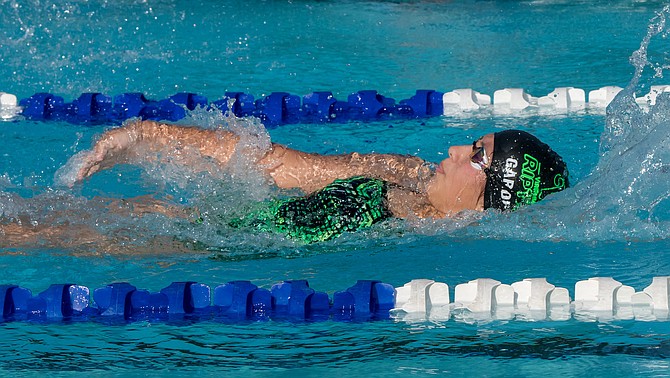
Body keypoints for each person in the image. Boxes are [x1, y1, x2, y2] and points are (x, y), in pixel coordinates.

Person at [70, 120, 570, 243]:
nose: (454, 150)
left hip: (195, 249)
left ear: (498, 192)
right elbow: (272, 164)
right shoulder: (401, 172)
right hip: (197, 228)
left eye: (477, 153)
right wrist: (144, 137)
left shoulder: (424, 234)